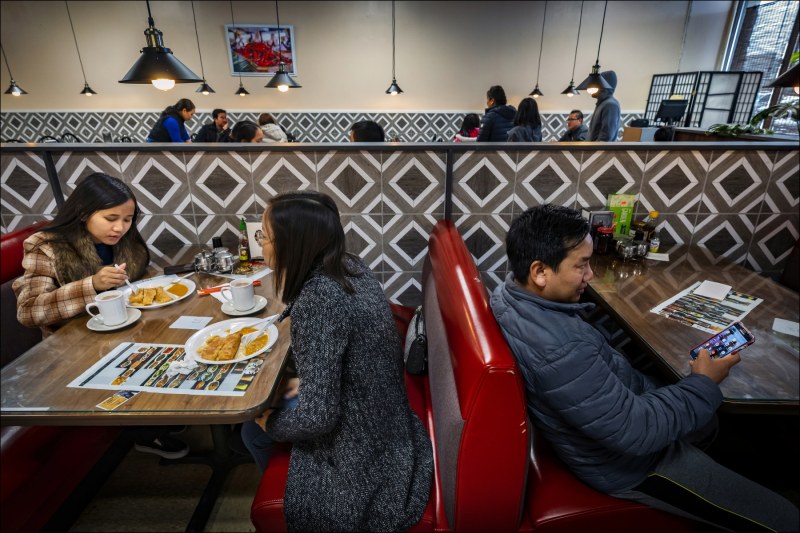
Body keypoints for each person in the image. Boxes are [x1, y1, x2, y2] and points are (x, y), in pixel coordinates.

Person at [490, 204, 799, 532]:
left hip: (614, 427)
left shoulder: (511, 291)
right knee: (787, 520)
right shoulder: (560, 349)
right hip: (631, 465)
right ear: (539, 272)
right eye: (581, 265)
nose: (590, 275)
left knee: (713, 425)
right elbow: (636, 433)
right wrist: (704, 382)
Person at [241, 190, 433, 531]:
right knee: (274, 392)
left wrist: (270, 422)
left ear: (292, 244)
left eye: (264, 236)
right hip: (382, 408)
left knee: (250, 430)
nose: (261, 244)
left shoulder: (321, 299)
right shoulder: (349, 265)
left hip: (363, 436)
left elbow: (318, 418)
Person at [13, 172, 189, 459]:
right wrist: (91, 285)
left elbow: (140, 280)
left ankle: (161, 418)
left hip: (129, 332)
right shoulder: (46, 245)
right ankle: (145, 433)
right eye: (111, 218)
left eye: (128, 219)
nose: (120, 227)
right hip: (74, 349)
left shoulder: (123, 241)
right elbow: (29, 309)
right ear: (83, 213)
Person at [588, 71, 621, 141]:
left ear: (603, 87)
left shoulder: (610, 105)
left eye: (596, 84)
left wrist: (593, 150)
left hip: (599, 151)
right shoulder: (602, 103)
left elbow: (606, 137)